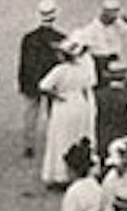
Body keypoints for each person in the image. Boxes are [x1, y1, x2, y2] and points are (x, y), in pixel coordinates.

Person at [40, 40, 98, 187]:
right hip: (79, 103)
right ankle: (77, 169)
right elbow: (89, 87)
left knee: (60, 138)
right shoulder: (84, 69)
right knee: (76, 135)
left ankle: (59, 174)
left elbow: (43, 86)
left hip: (64, 105)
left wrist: (56, 95)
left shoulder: (60, 70)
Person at [18, 0, 65, 161]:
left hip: (32, 80)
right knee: (54, 113)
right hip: (53, 81)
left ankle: (29, 145)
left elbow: (23, 62)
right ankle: (54, 141)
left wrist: (23, 82)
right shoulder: (60, 38)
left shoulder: (29, 38)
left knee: (30, 114)